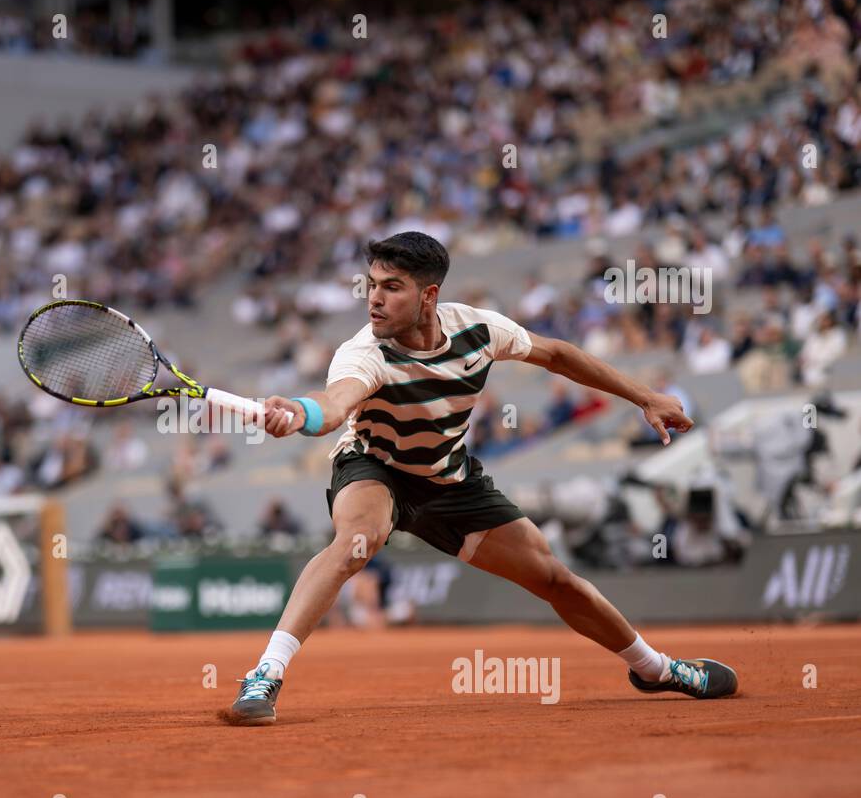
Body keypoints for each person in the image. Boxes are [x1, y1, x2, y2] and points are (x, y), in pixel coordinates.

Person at [222, 233, 738, 726]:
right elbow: (334, 407)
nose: (374, 300)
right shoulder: (365, 353)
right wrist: (299, 413)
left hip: (449, 478)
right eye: (371, 286)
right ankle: (265, 675)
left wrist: (645, 396)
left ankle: (655, 670)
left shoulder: (479, 330)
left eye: (391, 287)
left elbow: (557, 354)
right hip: (374, 465)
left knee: (554, 578)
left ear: (429, 296)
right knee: (358, 541)